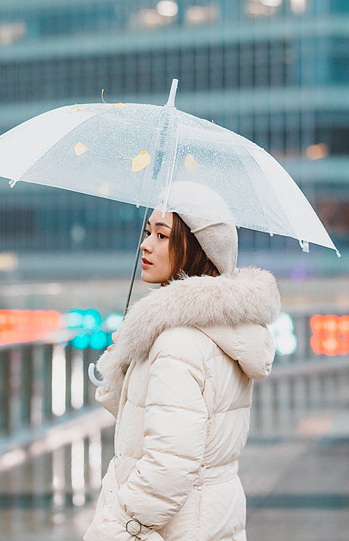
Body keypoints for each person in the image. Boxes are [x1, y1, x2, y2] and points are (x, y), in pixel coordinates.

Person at [85, 183, 280, 541]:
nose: (145, 245)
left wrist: (120, 525)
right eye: (147, 233)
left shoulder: (177, 342)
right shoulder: (218, 328)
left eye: (162, 236)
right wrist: (126, 374)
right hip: (210, 521)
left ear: (194, 249)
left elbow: (170, 466)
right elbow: (178, 429)